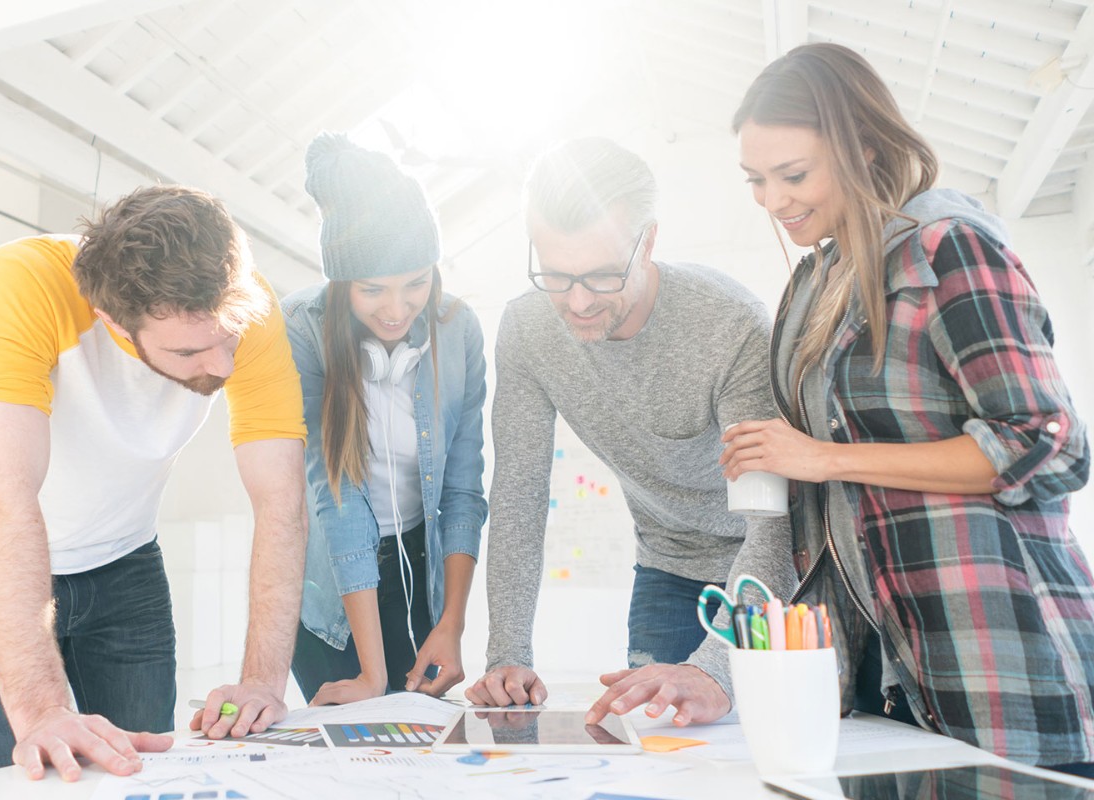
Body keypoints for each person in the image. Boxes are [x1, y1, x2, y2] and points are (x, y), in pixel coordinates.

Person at [723, 42, 1094, 774]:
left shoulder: (949, 252)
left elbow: (1049, 443)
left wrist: (824, 458)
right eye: (756, 181)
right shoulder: (810, 287)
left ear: (864, 146)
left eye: (793, 175)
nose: (773, 201)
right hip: (875, 672)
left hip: (994, 654)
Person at [0, 186, 308, 780]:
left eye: (226, 339)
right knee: (17, 774)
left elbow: (282, 502)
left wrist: (262, 681)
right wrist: (42, 710)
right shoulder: (23, 281)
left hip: (126, 560)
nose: (224, 366)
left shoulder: (246, 308)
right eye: (190, 350)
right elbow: (4, 502)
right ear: (114, 323)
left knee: (144, 771)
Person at [465, 137, 795, 726]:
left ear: (648, 243)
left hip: (773, 567)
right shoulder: (527, 328)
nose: (578, 301)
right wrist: (507, 654)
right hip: (668, 566)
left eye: (600, 275)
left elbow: (774, 525)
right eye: (557, 275)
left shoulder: (730, 325)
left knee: (771, 745)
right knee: (660, 750)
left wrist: (717, 666)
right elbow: (517, 491)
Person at [282, 133, 487, 705]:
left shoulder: (457, 330)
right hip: (333, 589)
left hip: (419, 576)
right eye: (373, 290)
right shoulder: (302, 326)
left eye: (415, 283)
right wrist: (372, 675)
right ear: (343, 281)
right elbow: (336, 495)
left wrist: (451, 623)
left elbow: (464, 489)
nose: (397, 310)